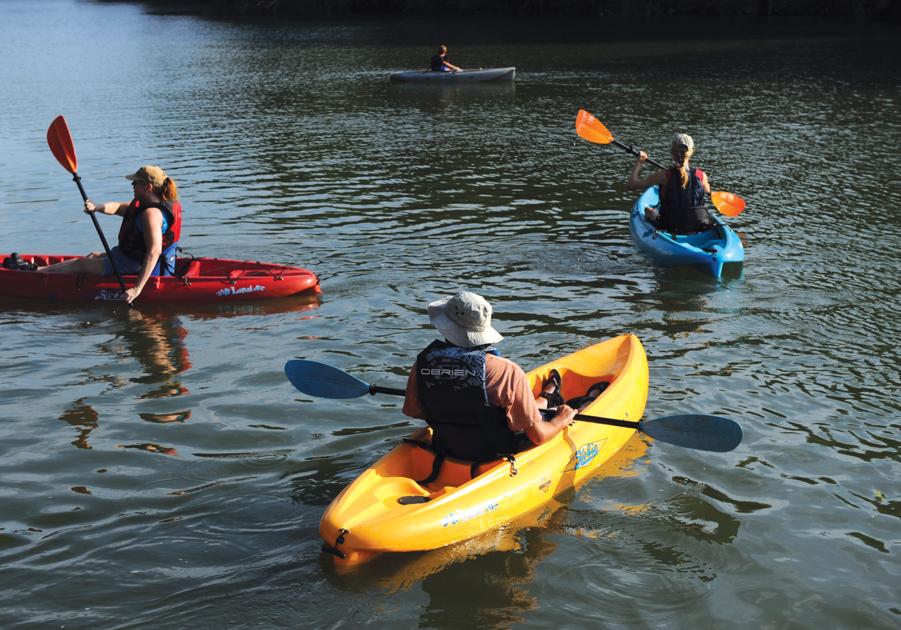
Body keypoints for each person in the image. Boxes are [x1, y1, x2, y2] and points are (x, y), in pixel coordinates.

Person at [402, 291, 577, 462]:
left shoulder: (422, 366)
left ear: (446, 328)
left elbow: (415, 411)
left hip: (447, 447)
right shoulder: (507, 371)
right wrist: (559, 422)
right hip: (496, 455)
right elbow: (539, 437)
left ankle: (542, 401)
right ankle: (551, 402)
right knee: (571, 409)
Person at [42, 165, 183, 304]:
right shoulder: (149, 204)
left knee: (81, 264)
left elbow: (154, 251)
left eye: (135, 183)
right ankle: (40, 270)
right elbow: (118, 208)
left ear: (148, 187)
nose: (132, 186)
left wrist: (137, 288)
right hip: (127, 256)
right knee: (92, 256)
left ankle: (36, 277)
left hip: (132, 264)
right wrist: (95, 207)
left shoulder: (150, 214)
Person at [627, 133, 714, 235]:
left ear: (672, 152)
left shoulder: (663, 175)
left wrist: (639, 163)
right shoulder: (702, 175)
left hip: (671, 225)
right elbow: (707, 191)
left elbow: (632, 184)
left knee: (648, 211)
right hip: (698, 224)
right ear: (691, 152)